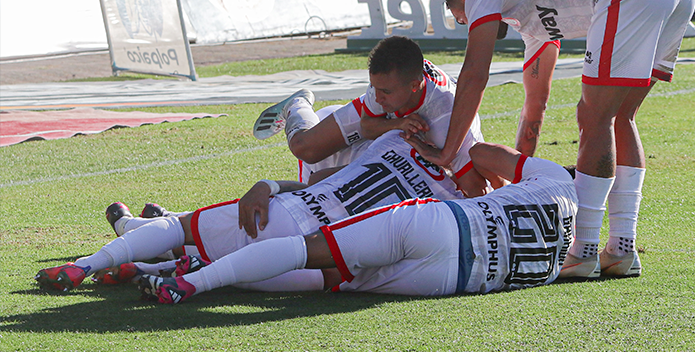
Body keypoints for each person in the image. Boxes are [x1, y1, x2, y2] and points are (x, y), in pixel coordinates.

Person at [420, 0, 695, 279]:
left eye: (463, 17)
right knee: (620, 116)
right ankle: (622, 249)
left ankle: (582, 251)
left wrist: (448, 152)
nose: (468, 24)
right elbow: (535, 105)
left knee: (596, 116)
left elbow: (475, 73)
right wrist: (519, 182)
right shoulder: (527, 7)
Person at [134, 139, 577, 303]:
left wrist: (484, 183)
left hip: (440, 223)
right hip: (454, 279)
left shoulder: (550, 177)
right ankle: (178, 265)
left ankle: (189, 272)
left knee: (307, 253)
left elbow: (481, 155)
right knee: (331, 278)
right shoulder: (573, 254)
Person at [35, 131, 463, 293]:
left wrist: (270, 184)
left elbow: (319, 181)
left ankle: (89, 264)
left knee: (176, 226)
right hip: (316, 268)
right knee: (226, 266)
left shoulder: (395, 141)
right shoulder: (455, 209)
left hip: (287, 213)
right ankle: (166, 269)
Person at [253, 36, 493, 198]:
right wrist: (397, 123)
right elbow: (367, 126)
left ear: (414, 86)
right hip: (398, 138)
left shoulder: (446, 118)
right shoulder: (385, 91)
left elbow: (478, 189)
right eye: (374, 87)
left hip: (417, 153)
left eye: (385, 92)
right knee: (304, 147)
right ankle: (297, 106)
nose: (377, 98)